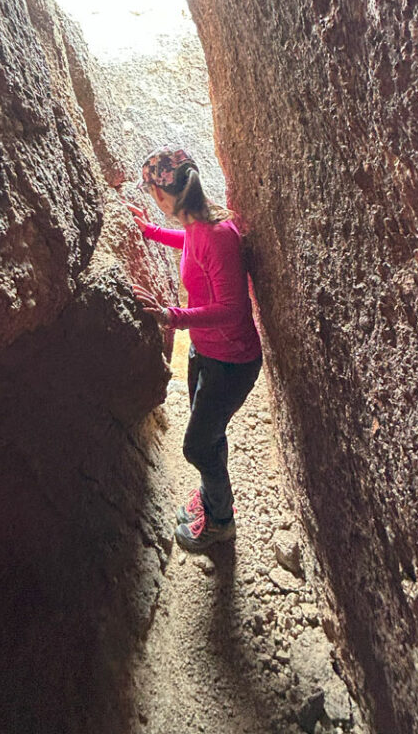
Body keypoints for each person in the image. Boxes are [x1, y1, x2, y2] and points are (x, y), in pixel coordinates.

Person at [127, 146, 262, 552]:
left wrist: (172, 316)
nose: (152, 199)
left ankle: (221, 521)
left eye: (151, 192)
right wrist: (150, 232)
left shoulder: (217, 235)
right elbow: (190, 245)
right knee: (209, 433)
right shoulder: (199, 223)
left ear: (163, 194)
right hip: (208, 353)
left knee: (197, 445)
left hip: (231, 361)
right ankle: (211, 498)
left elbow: (231, 308)